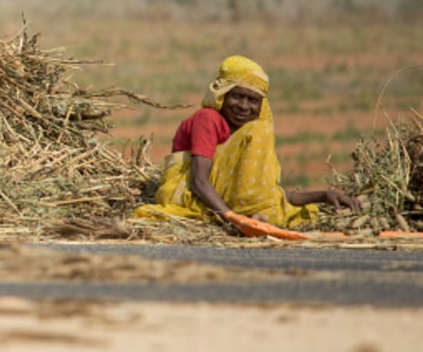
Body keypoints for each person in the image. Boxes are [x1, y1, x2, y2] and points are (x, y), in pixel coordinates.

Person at [134, 55, 361, 230]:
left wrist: (323, 195)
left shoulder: (244, 134)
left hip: (222, 201)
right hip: (189, 195)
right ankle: (247, 216)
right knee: (259, 130)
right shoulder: (209, 119)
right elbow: (198, 182)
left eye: (253, 100)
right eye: (237, 96)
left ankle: (252, 216)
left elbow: (261, 191)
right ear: (222, 95)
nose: (244, 106)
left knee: (296, 212)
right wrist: (234, 219)